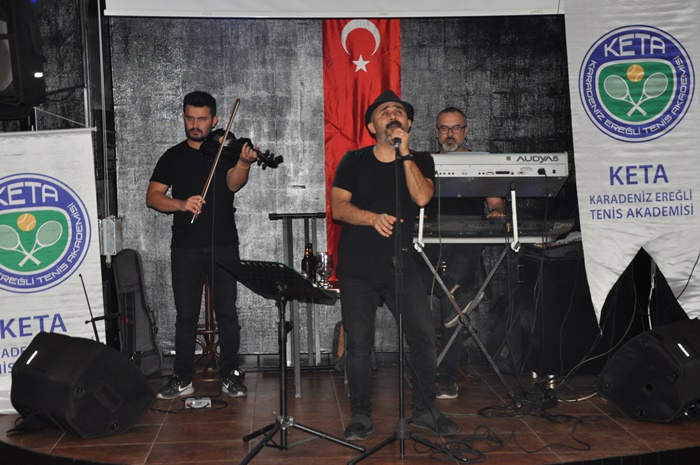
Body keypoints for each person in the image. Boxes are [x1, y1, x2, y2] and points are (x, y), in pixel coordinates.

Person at [331, 90, 459, 441]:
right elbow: (338, 208)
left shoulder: (420, 160)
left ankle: (424, 410)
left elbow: (422, 196)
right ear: (372, 126)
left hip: (403, 267)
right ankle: (360, 415)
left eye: (398, 111)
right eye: (384, 111)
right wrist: (372, 218)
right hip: (358, 268)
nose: (392, 114)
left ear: (409, 124)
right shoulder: (353, 160)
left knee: (423, 338)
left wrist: (405, 155)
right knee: (359, 344)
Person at [146, 91, 257, 400]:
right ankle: (182, 377)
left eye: (202, 119)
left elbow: (234, 183)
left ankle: (230, 374)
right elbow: (153, 197)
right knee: (185, 316)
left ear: (215, 120)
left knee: (227, 314)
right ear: (184, 117)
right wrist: (181, 203)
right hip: (185, 246)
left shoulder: (227, 152)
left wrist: (244, 162)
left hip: (224, 244)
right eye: (190, 118)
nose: (195, 125)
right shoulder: (172, 156)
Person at [423, 107, 505, 400]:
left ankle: (447, 379)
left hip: (466, 240)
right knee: (433, 299)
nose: (450, 134)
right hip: (428, 240)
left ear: (466, 131)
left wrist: (496, 212)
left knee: (451, 303)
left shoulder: (481, 161)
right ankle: (465, 292)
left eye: (456, 128)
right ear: (436, 133)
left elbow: (496, 203)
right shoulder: (424, 164)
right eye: (444, 129)